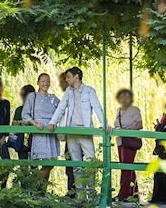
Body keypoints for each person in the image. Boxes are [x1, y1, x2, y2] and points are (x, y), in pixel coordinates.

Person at [48, 66, 111, 195]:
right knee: (76, 165)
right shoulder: (68, 92)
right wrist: (53, 122)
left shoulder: (89, 91)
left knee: (91, 162)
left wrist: (104, 123)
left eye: (69, 77)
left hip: (85, 131)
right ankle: (80, 195)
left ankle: (92, 193)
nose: (67, 79)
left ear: (77, 76)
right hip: (71, 132)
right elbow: (61, 108)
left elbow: (98, 108)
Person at [22, 73, 60, 188]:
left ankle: (42, 192)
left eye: (48, 81)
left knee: (51, 162)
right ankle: (35, 188)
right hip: (39, 131)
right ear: (38, 82)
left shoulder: (53, 98)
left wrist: (54, 122)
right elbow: (25, 114)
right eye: (43, 81)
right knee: (42, 161)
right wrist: (35, 123)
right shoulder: (32, 96)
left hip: (51, 131)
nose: (46, 84)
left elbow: (62, 109)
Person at [114, 88, 143, 202]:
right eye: (122, 97)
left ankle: (124, 194)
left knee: (126, 166)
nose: (124, 99)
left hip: (130, 140)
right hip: (120, 141)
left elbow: (139, 125)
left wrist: (127, 130)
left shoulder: (134, 110)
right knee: (126, 166)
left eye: (126, 97)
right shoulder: (119, 110)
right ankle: (134, 194)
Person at [59, 72, 75, 195]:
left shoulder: (73, 95)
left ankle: (74, 191)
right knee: (70, 164)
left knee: (74, 164)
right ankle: (71, 191)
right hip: (69, 136)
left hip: (74, 135)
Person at [10, 84, 35, 159]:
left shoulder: (36, 110)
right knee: (23, 164)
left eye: (23, 95)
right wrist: (20, 122)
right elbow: (13, 124)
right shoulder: (19, 110)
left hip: (34, 140)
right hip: (21, 141)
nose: (21, 97)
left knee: (34, 165)